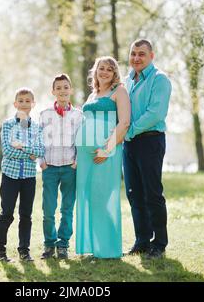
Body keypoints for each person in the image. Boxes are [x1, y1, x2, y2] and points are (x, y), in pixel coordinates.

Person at [75, 56, 131, 259]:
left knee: (102, 197)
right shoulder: (93, 95)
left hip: (105, 153)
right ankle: (96, 246)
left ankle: (109, 249)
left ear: (115, 73)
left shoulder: (119, 91)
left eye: (109, 69)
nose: (105, 72)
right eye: (101, 68)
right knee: (89, 198)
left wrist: (106, 150)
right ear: (95, 71)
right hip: (85, 155)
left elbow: (124, 123)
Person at [123, 39, 172, 259]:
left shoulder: (159, 79)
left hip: (150, 141)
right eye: (133, 54)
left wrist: (129, 130)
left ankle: (159, 243)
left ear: (151, 56)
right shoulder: (127, 80)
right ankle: (142, 241)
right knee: (134, 193)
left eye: (141, 54)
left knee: (152, 193)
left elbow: (155, 113)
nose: (136, 58)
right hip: (129, 143)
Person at [0, 88, 45, 262]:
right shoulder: (8, 124)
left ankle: (24, 251)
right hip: (10, 176)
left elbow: (39, 150)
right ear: (15, 104)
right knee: (7, 213)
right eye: (20, 101)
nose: (24, 104)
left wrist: (22, 147)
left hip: (29, 177)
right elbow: (7, 151)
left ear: (33, 104)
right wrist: (29, 152)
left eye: (27, 101)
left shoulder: (37, 127)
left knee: (26, 215)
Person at [39, 74, 83, 259]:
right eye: (59, 88)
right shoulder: (45, 114)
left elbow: (81, 141)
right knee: (48, 209)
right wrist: (41, 160)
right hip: (49, 167)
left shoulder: (78, 115)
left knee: (67, 208)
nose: (62, 91)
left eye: (66, 87)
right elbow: (39, 139)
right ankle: (49, 244)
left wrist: (78, 161)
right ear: (53, 92)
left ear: (70, 90)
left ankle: (63, 244)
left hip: (69, 168)